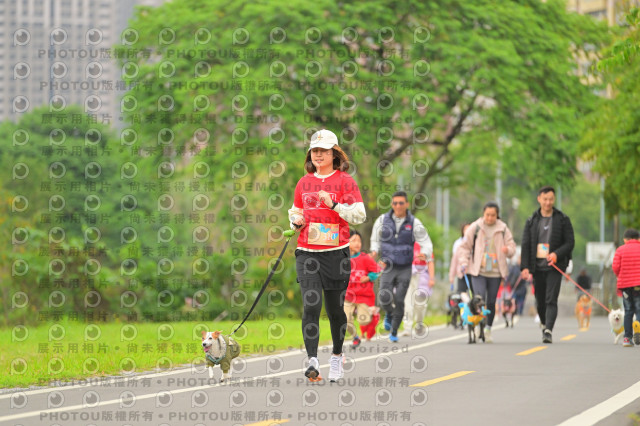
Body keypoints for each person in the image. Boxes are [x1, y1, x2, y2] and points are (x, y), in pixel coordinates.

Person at [288, 129, 366, 382]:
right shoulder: (304, 182)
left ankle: (336, 355)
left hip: (335, 253)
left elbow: (359, 215)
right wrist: (296, 221)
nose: (318, 155)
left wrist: (334, 205)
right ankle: (312, 360)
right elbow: (295, 211)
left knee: (335, 311)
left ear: (334, 154)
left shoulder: (345, 181)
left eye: (323, 151)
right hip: (307, 252)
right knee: (311, 305)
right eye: (315, 150)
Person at [370, 191, 433, 342]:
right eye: (395, 203)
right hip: (388, 266)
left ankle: (394, 331)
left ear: (407, 204)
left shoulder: (414, 222)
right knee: (384, 297)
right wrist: (374, 251)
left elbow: (426, 242)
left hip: (405, 267)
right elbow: (375, 239)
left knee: (399, 299)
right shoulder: (382, 220)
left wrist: (425, 253)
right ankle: (389, 313)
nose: (398, 206)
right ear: (392, 204)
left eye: (401, 203)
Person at [520, 186, 575, 344]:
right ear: (539, 199)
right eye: (545, 199)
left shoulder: (562, 219)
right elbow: (525, 244)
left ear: (554, 199)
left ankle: (549, 330)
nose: (548, 202)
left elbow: (570, 242)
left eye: (551, 199)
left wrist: (556, 254)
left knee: (551, 299)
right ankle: (544, 324)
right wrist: (524, 267)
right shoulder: (531, 220)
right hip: (537, 267)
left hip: (554, 267)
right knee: (540, 300)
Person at [457, 202, 517, 342]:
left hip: (495, 272)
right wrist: (464, 262)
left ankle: (488, 328)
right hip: (478, 271)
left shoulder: (503, 228)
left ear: (497, 215)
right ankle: (477, 325)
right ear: (483, 214)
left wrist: (507, 250)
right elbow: (464, 247)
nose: (490, 218)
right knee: (479, 299)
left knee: (491, 302)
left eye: (493, 215)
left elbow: (512, 246)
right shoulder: (476, 227)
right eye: (487, 215)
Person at [344, 230, 381, 347]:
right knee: (344, 320)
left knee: (363, 320)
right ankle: (355, 337)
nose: (357, 243)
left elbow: (377, 271)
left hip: (364, 296)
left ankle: (374, 314)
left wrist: (368, 277)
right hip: (348, 296)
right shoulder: (342, 259)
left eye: (359, 241)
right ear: (346, 242)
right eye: (354, 240)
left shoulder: (365, 258)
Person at [612, 228, 640, 347]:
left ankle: (627, 338)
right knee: (639, 309)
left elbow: (615, 267)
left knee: (628, 311)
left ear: (625, 239)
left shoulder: (620, 250)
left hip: (625, 285)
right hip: (639, 285)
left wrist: (620, 276)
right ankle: (638, 325)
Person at [401, 242, 436, 337]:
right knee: (407, 302)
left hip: (422, 276)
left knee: (421, 304)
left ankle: (419, 323)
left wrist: (431, 278)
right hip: (408, 274)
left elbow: (430, 262)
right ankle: (407, 327)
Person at [449, 223, 472, 294]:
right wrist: (452, 276)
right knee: (462, 293)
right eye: (466, 229)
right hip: (462, 273)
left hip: (473, 274)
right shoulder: (458, 243)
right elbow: (454, 261)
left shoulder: (475, 242)